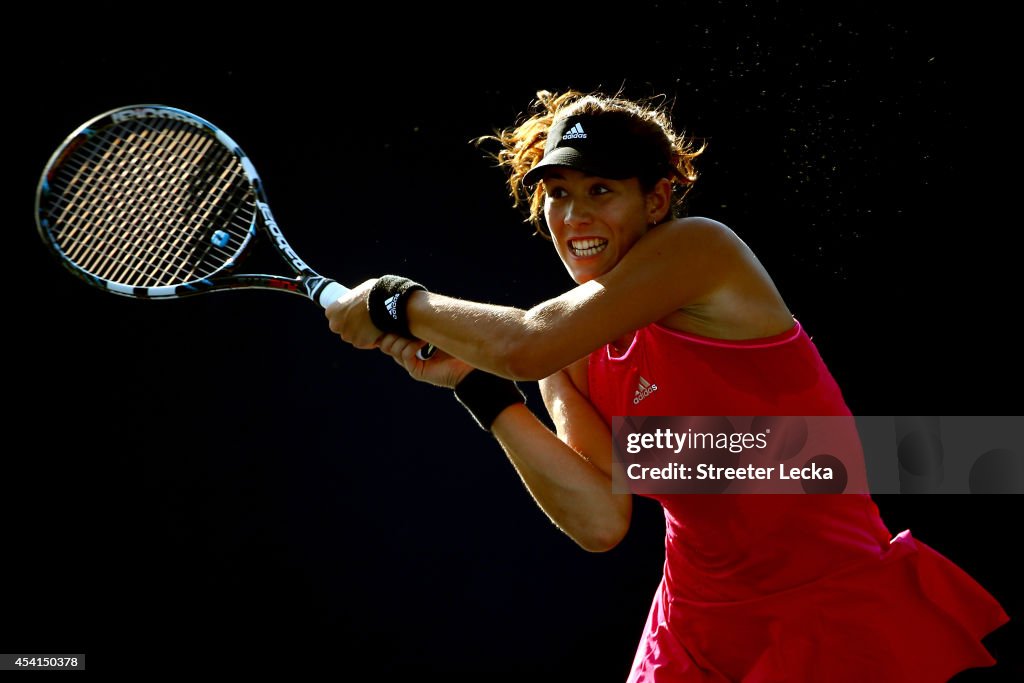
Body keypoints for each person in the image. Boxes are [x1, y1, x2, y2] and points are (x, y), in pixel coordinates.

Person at [325, 90, 1009, 681]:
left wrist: (394, 298)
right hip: (694, 629)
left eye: (601, 190)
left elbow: (525, 342)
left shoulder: (701, 251)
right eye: (559, 194)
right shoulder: (572, 351)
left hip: (828, 607)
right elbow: (599, 519)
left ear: (657, 200)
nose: (575, 216)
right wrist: (477, 386)